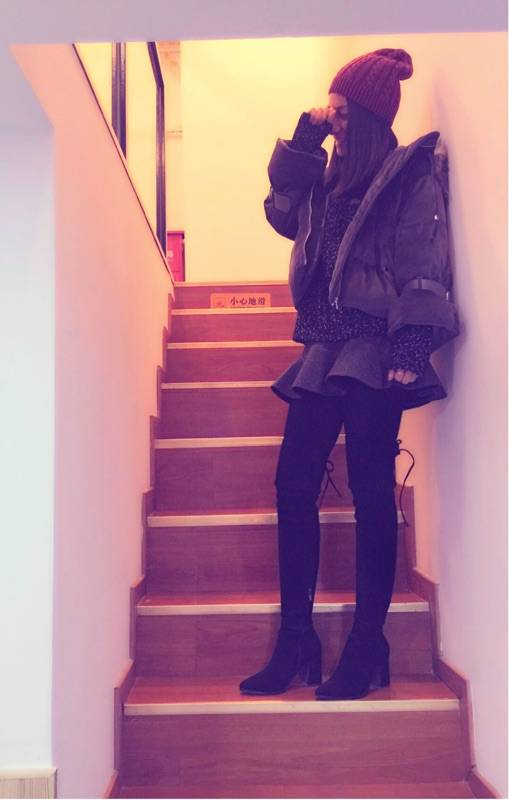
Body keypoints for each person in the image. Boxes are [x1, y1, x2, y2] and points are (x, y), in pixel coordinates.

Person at [238, 48, 460, 701]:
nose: (329, 119)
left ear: (365, 117)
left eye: (338, 113)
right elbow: (280, 212)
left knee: (370, 493)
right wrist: (303, 141)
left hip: (373, 349)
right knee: (292, 485)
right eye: (328, 111)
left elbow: (424, 256)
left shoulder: (407, 176)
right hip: (321, 348)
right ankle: (295, 640)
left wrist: (412, 342)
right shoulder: (327, 179)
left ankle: (367, 646)